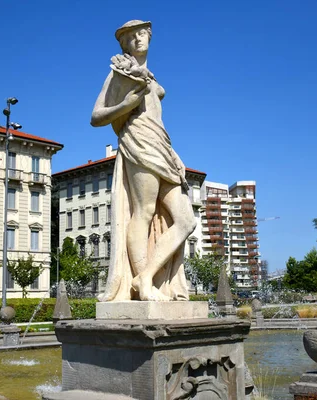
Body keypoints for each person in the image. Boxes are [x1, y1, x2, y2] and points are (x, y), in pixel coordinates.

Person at [91, 20, 196, 302]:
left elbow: (157, 118)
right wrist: (125, 106)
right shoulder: (119, 72)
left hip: (162, 144)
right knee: (145, 211)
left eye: (141, 34)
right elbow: (96, 116)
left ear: (149, 37)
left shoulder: (151, 76)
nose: (137, 39)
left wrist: (175, 154)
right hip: (139, 142)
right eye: (130, 37)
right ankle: (145, 284)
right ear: (124, 43)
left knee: (187, 221)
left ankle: (145, 276)